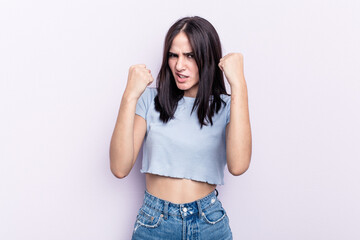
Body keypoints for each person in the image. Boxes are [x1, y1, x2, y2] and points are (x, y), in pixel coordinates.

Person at [109, 16, 252, 240]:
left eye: (190, 56)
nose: (179, 65)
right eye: (173, 55)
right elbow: (119, 168)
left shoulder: (226, 106)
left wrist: (239, 84)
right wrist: (129, 95)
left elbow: (239, 165)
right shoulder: (149, 99)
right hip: (155, 223)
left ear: (208, 58)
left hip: (209, 222)